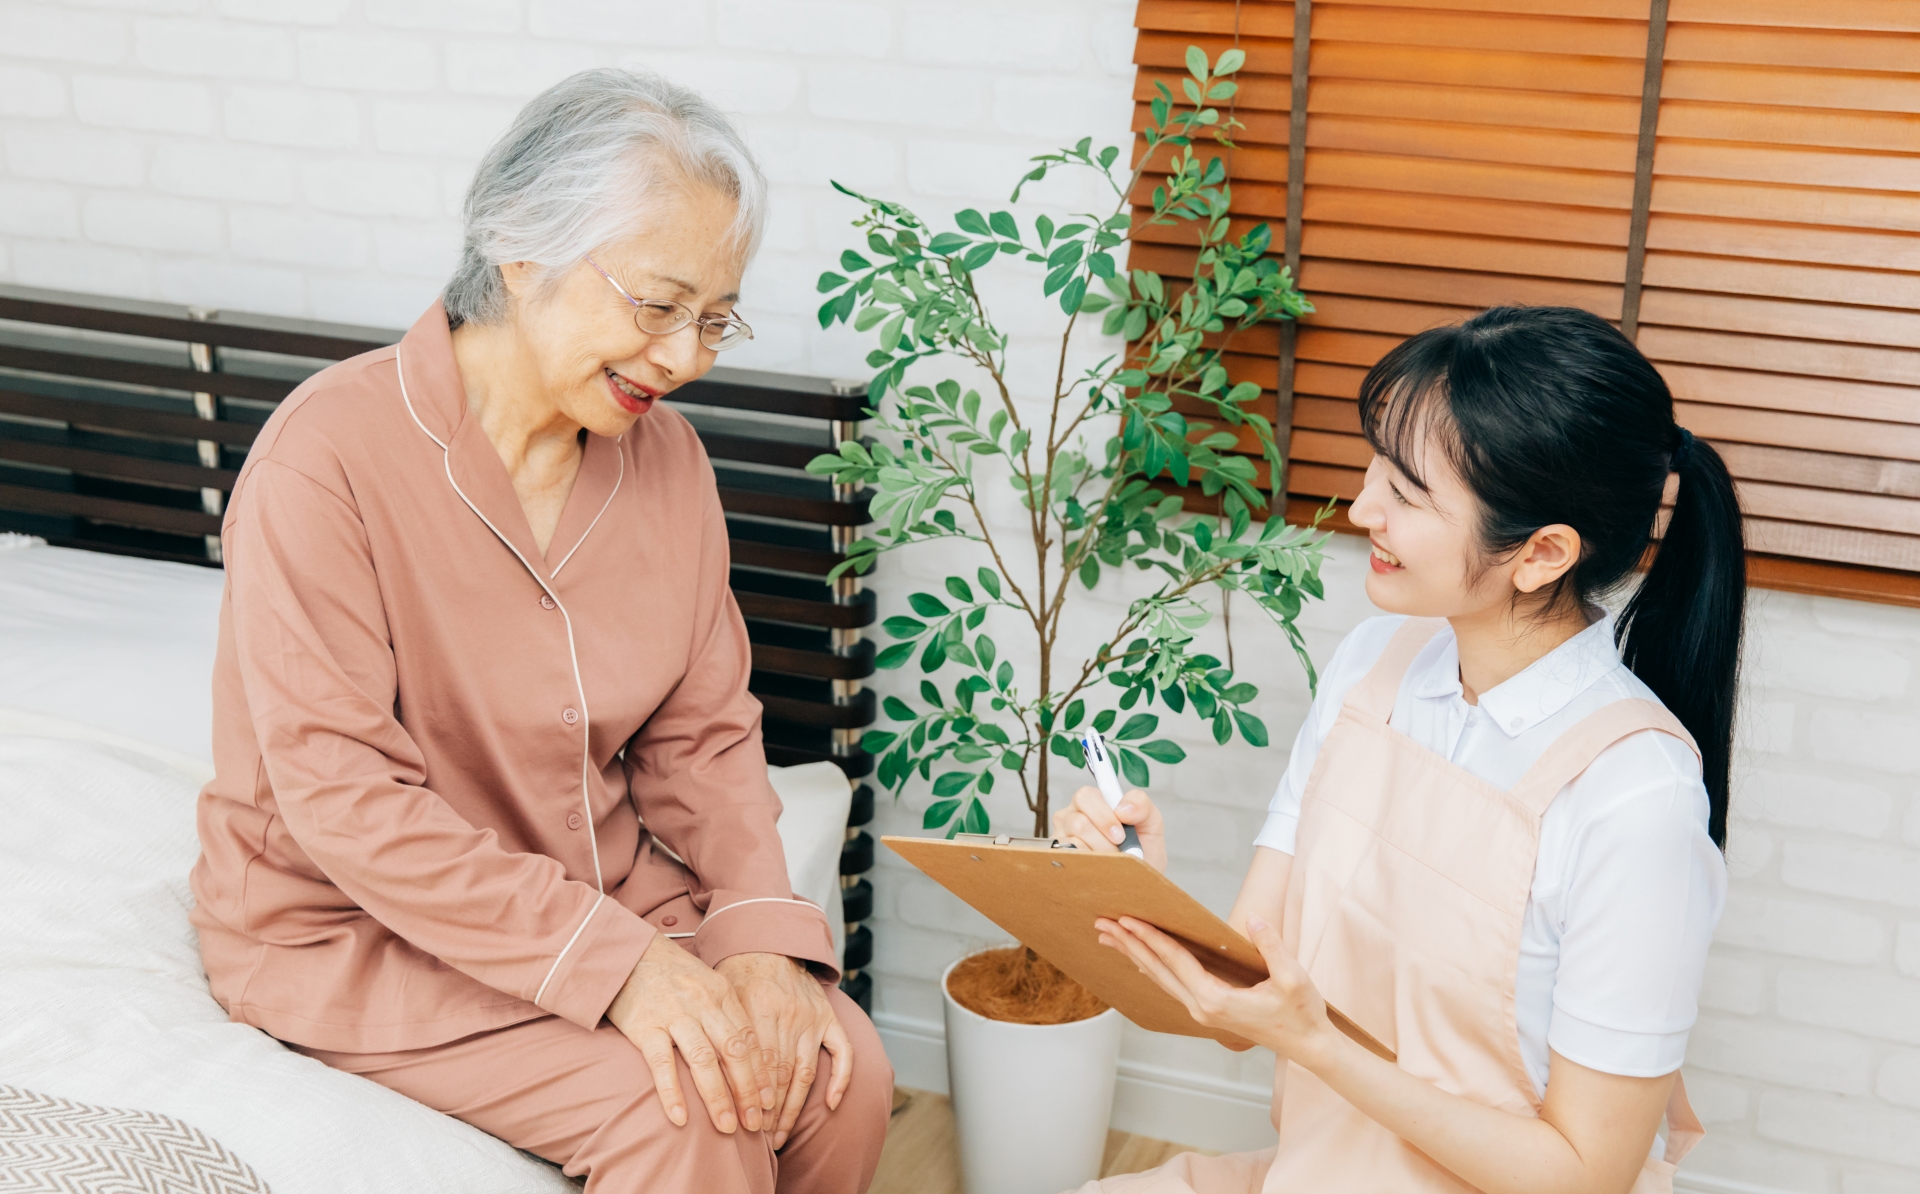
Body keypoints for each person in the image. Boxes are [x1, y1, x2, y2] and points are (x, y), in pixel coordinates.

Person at [190, 69, 892, 1194]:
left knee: (838, 1071)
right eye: (657, 306)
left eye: (714, 319)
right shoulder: (323, 459)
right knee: (688, 1115)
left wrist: (760, 946)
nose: (683, 359)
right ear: (521, 254)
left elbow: (701, 737)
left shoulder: (672, 464)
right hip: (356, 932)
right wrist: (624, 971)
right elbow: (346, 802)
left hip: (595, 881)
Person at [1054, 305, 1740, 1194]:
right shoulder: (1373, 668)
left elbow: (1583, 1176)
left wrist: (1319, 1049)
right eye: (1378, 462)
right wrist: (1140, 887)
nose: (1362, 506)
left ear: (1540, 553)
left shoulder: (1635, 799)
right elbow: (1246, 1007)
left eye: (1408, 492)